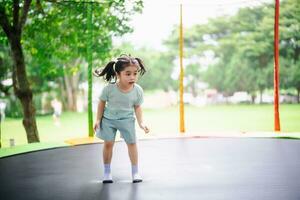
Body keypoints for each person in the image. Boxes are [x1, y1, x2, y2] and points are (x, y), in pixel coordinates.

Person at [93, 54, 150, 184]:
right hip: (108, 120)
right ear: (118, 74)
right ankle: (107, 172)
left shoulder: (138, 90)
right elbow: (101, 103)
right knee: (108, 144)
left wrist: (141, 123)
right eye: (128, 74)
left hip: (127, 120)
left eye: (135, 73)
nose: (132, 77)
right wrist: (98, 120)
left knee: (132, 143)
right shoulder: (109, 89)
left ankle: (135, 172)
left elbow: (137, 107)